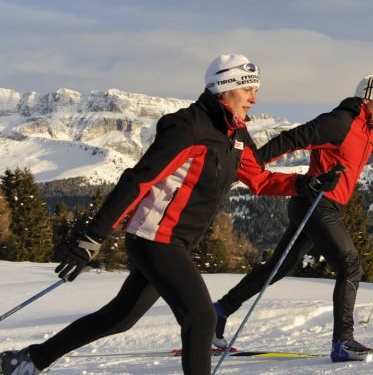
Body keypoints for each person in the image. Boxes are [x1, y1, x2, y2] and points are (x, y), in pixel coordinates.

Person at [0, 55, 342, 375]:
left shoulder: (235, 133)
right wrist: (93, 236)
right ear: (224, 88)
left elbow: (259, 179)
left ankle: (29, 359)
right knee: (201, 317)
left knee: (120, 317)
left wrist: (307, 184)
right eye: (248, 89)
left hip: (176, 241)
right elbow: (137, 179)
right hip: (155, 239)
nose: (254, 98)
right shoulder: (189, 127)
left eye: (256, 90)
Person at [211, 74, 373, 362]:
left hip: (324, 207)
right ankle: (343, 342)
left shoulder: (370, 130)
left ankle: (218, 312)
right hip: (315, 201)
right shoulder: (338, 122)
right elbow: (293, 138)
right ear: (367, 98)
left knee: (278, 267)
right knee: (350, 265)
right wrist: (254, 164)